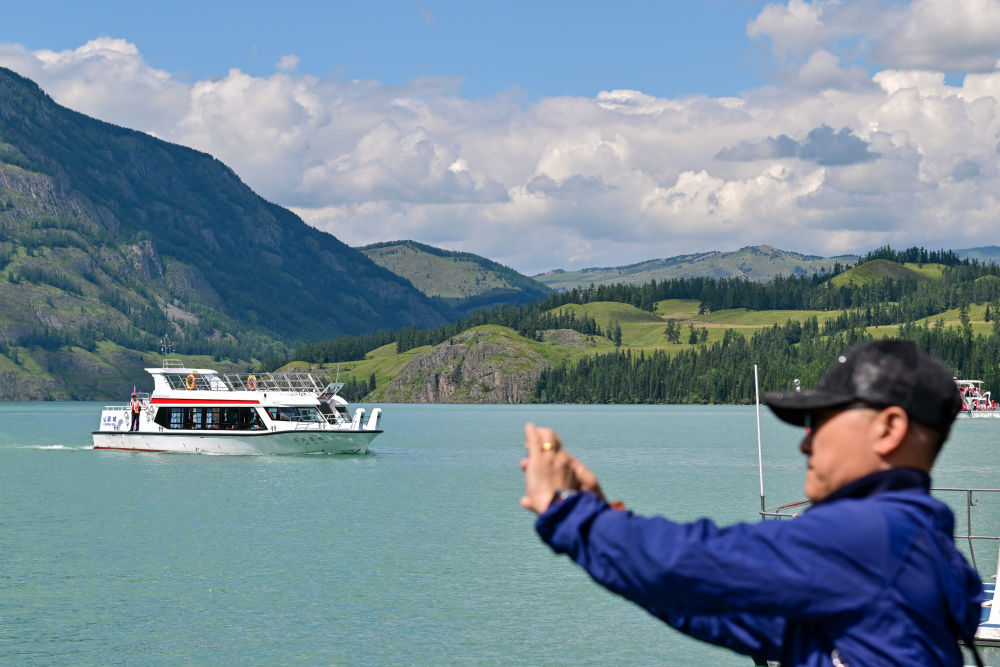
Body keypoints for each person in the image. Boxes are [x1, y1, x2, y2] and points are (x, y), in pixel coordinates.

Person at [520, 339, 983, 666]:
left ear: (888, 429)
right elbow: (706, 601)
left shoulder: (872, 537)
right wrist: (603, 514)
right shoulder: (916, 547)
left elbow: (692, 561)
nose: (805, 445)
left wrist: (565, 510)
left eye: (818, 421)